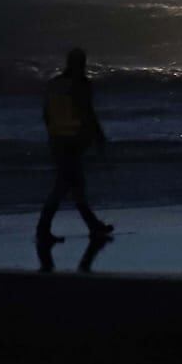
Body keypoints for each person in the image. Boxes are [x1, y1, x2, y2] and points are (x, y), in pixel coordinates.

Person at [37, 47, 113, 243]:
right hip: (74, 140)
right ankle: (43, 229)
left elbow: (46, 114)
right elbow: (87, 111)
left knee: (73, 184)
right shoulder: (81, 84)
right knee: (65, 186)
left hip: (56, 139)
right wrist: (98, 136)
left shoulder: (54, 84)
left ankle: (93, 225)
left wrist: (53, 133)